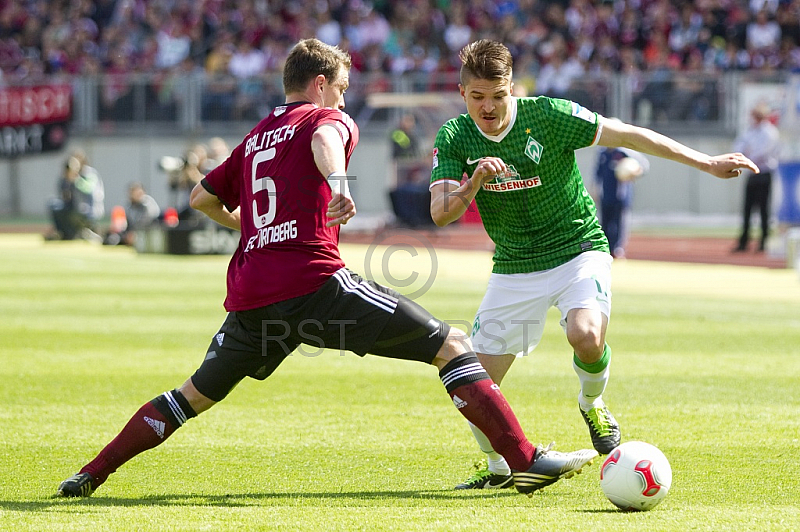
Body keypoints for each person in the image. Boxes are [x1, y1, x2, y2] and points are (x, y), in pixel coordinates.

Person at [56, 38, 598, 499]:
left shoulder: (254, 138)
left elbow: (199, 195)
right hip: (316, 285)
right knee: (452, 346)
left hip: (253, 297)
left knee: (191, 396)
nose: (343, 98)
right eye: (340, 87)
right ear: (320, 83)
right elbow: (324, 139)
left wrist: (248, 228)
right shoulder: (325, 117)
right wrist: (339, 185)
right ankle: (522, 459)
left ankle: (91, 473)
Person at [428, 39, 757, 490]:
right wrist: (476, 181)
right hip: (514, 265)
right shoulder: (453, 136)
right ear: (463, 94)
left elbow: (626, 134)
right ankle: (500, 469)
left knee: (584, 334)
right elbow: (440, 212)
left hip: (577, 248)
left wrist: (705, 161)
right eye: (479, 96)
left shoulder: (547, 115)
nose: (489, 106)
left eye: (498, 95)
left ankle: (592, 402)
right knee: (476, 386)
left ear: (513, 90)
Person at [732, 102, 780, 253]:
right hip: (751, 174)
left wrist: (748, 155)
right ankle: (744, 241)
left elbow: (762, 152)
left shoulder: (770, 132)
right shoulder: (750, 131)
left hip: (764, 173)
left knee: (763, 209)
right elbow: (739, 146)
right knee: (747, 208)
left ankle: (763, 241)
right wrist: (745, 154)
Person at [594, 145, 650, 258]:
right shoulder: (603, 153)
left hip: (621, 197)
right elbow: (597, 174)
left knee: (619, 223)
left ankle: (618, 249)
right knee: (605, 223)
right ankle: (605, 248)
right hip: (606, 196)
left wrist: (635, 172)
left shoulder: (624, 152)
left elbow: (643, 166)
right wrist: (595, 189)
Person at [46, 150, 105, 241]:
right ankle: (62, 232)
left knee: (76, 211)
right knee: (54, 204)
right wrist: (66, 180)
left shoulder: (88, 173)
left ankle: (83, 231)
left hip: (89, 209)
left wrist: (76, 180)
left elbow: (89, 190)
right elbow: (63, 196)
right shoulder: (67, 176)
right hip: (74, 207)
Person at [104, 182, 161, 246]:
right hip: (131, 232)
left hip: (146, 232)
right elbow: (128, 223)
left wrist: (134, 233)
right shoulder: (129, 206)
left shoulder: (148, 205)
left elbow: (149, 222)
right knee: (113, 238)